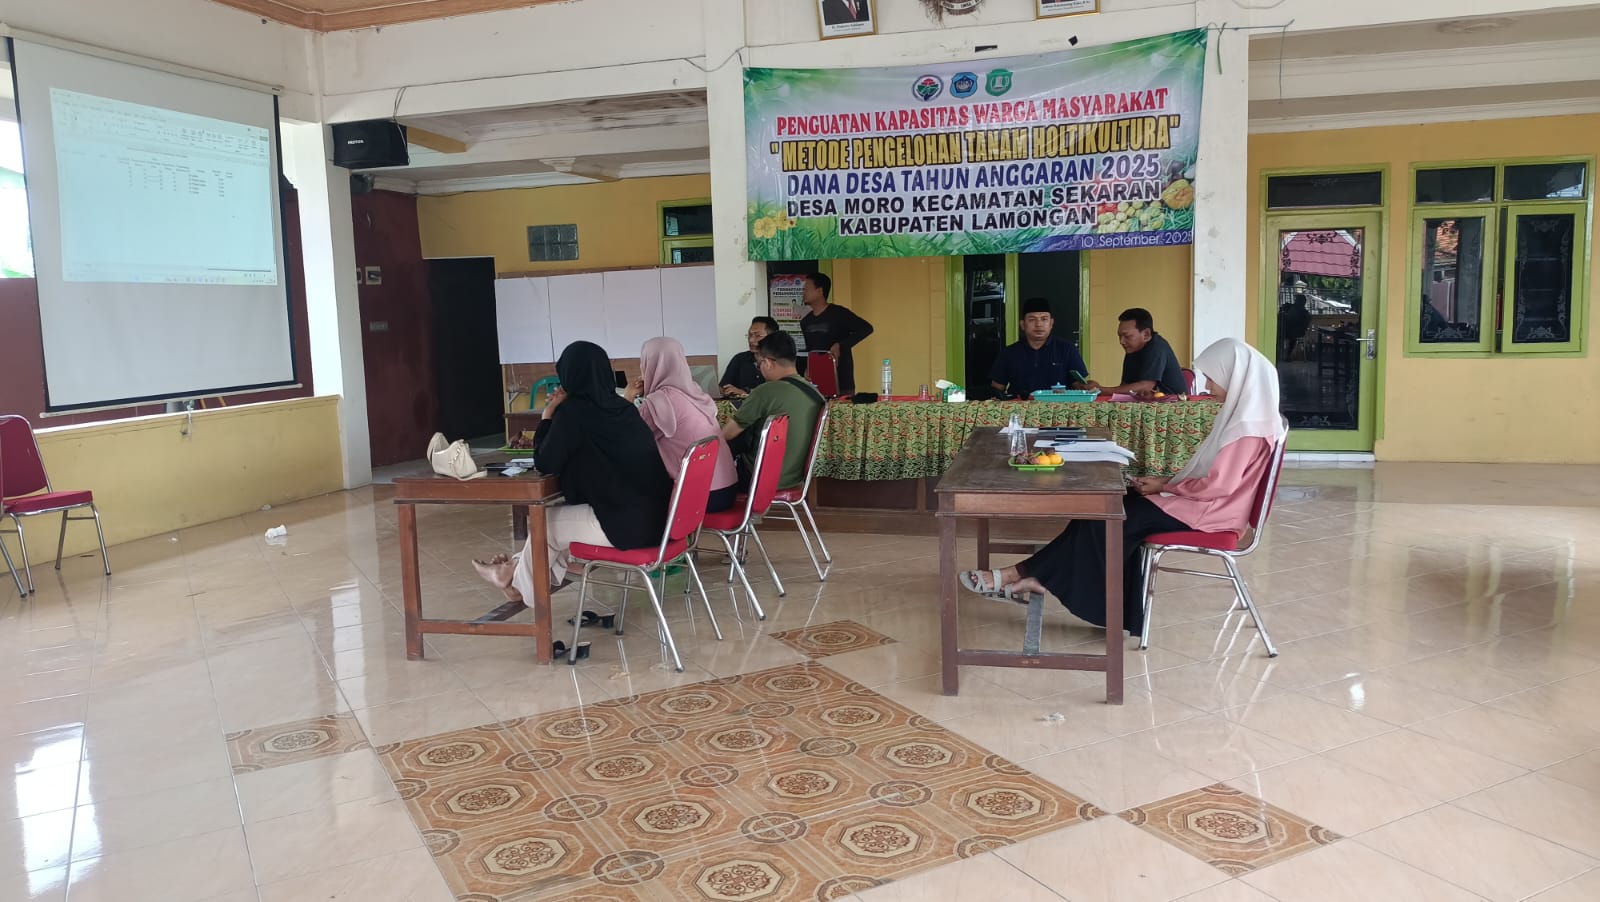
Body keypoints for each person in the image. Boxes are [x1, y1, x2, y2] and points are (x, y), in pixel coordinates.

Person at [960, 337, 1282, 636]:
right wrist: (1164, 485)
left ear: (1234, 377)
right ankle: (1034, 577)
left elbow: (1219, 486)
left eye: (1213, 378)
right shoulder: (1248, 418)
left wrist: (1165, 486)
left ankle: (1020, 575)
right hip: (1205, 505)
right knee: (1100, 509)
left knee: (1109, 516)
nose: (1208, 386)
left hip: (1209, 513)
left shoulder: (1247, 428)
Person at [472, 341, 672, 606]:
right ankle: (515, 570)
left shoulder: (573, 413)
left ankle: (518, 588)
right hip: (661, 522)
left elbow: (545, 462)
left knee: (544, 522)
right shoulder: (624, 409)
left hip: (629, 527)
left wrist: (547, 415)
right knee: (559, 521)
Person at [628, 336, 739, 513]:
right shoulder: (695, 393)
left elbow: (627, 436)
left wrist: (628, 396)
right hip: (727, 489)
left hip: (699, 496)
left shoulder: (659, 400)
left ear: (648, 364)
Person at [722, 330, 824, 490]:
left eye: (759, 364)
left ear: (768, 362)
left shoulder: (765, 391)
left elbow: (726, 435)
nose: (760, 369)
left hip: (757, 477)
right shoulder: (815, 392)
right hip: (796, 479)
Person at [989, 297, 1091, 399]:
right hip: (1020, 407)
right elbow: (997, 388)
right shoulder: (1009, 353)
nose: (1038, 324)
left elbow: (1080, 386)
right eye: (1032, 319)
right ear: (1023, 325)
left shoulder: (1067, 349)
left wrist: (1089, 386)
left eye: (1044, 319)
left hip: (1059, 406)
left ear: (1051, 323)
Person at [798, 271, 874, 396]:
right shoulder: (806, 321)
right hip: (816, 383)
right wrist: (806, 368)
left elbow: (866, 328)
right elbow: (810, 350)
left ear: (819, 291)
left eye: (807, 289)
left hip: (842, 382)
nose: (803, 293)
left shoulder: (839, 313)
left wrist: (840, 345)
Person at [1086, 308, 1188, 397]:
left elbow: (1146, 387)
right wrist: (1096, 388)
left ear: (1146, 334)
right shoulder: (1132, 349)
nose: (1121, 342)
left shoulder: (1157, 347)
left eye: (1127, 336)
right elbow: (1124, 387)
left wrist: (1101, 390)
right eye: (1119, 336)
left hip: (1174, 406)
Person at [720, 316, 779, 398]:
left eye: (758, 336)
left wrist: (744, 393)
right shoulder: (739, 359)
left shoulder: (781, 361)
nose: (751, 340)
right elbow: (723, 386)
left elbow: (778, 392)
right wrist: (726, 390)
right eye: (750, 335)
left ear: (772, 338)